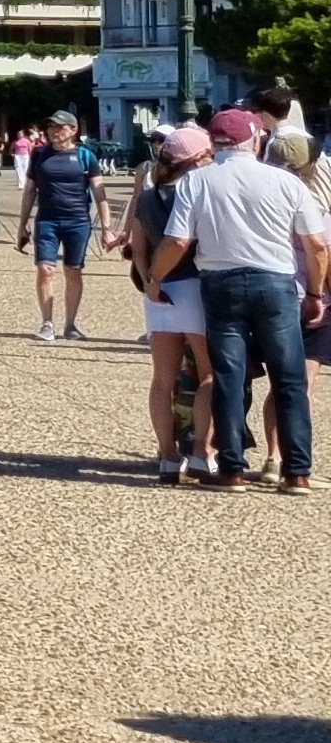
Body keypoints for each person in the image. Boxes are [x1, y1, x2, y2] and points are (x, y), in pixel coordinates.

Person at [149, 106, 327, 492]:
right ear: (256, 140)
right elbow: (315, 245)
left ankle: (232, 468)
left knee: (229, 377)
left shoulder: (197, 182)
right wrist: (314, 292)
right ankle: (297, 470)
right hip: (276, 282)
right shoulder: (285, 182)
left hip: (221, 283)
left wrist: (155, 277)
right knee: (290, 379)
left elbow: (178, 240)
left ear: (214, 142)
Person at [125, 126, 214, 481]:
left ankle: (165, 453)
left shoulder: (147, 197)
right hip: (194, 284)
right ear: (195, 160)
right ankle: (201, 452)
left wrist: (149, 280)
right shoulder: (197, 192)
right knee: (209, 374)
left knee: (162, 380)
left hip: (159, 293)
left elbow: (138, 243)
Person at [17, 111, 97, 341]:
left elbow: (98, 190)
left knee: (73, 271)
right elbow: (30, 190)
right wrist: (22, 224)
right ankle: (47, 322)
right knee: (45, 269)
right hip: (47, 220)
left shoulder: (85, 156)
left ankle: (70, 324)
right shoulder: (39, 154)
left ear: (73, 130)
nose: (54, 131)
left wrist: (108, 225)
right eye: (51, 127)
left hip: (77, 220)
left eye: (59, 127)